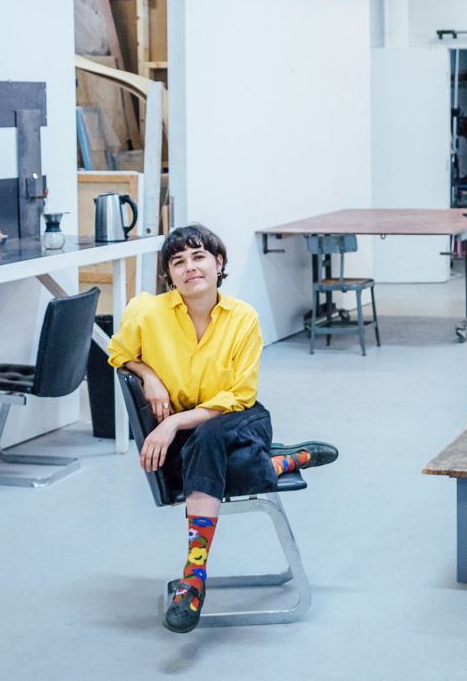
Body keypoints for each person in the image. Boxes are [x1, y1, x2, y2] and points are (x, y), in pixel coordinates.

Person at [108, 224, 339, 634]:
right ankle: (288, 461)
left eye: (198, 257)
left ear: (219, 264)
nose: (189, 267)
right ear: (169, 275)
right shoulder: (147, 312)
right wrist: (148, 374)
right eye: (177, 262)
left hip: (240, 419)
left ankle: (193, 578)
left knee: (209, 436)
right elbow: (119, 353)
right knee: (220, 463)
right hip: (192, 438)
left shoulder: (244, 319)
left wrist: (175, 421)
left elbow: (238, 396)